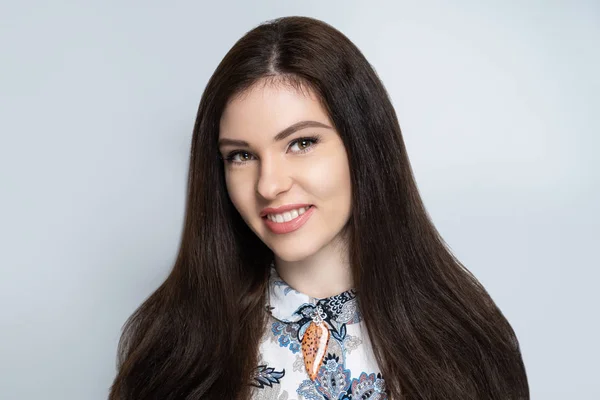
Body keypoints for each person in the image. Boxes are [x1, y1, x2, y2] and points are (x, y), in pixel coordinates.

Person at [108, 16, 529, 400]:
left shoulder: (465, 340)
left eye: (302, 143)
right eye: (241, 155)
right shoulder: (173, 347)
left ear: (363, 145)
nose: (270, 185)